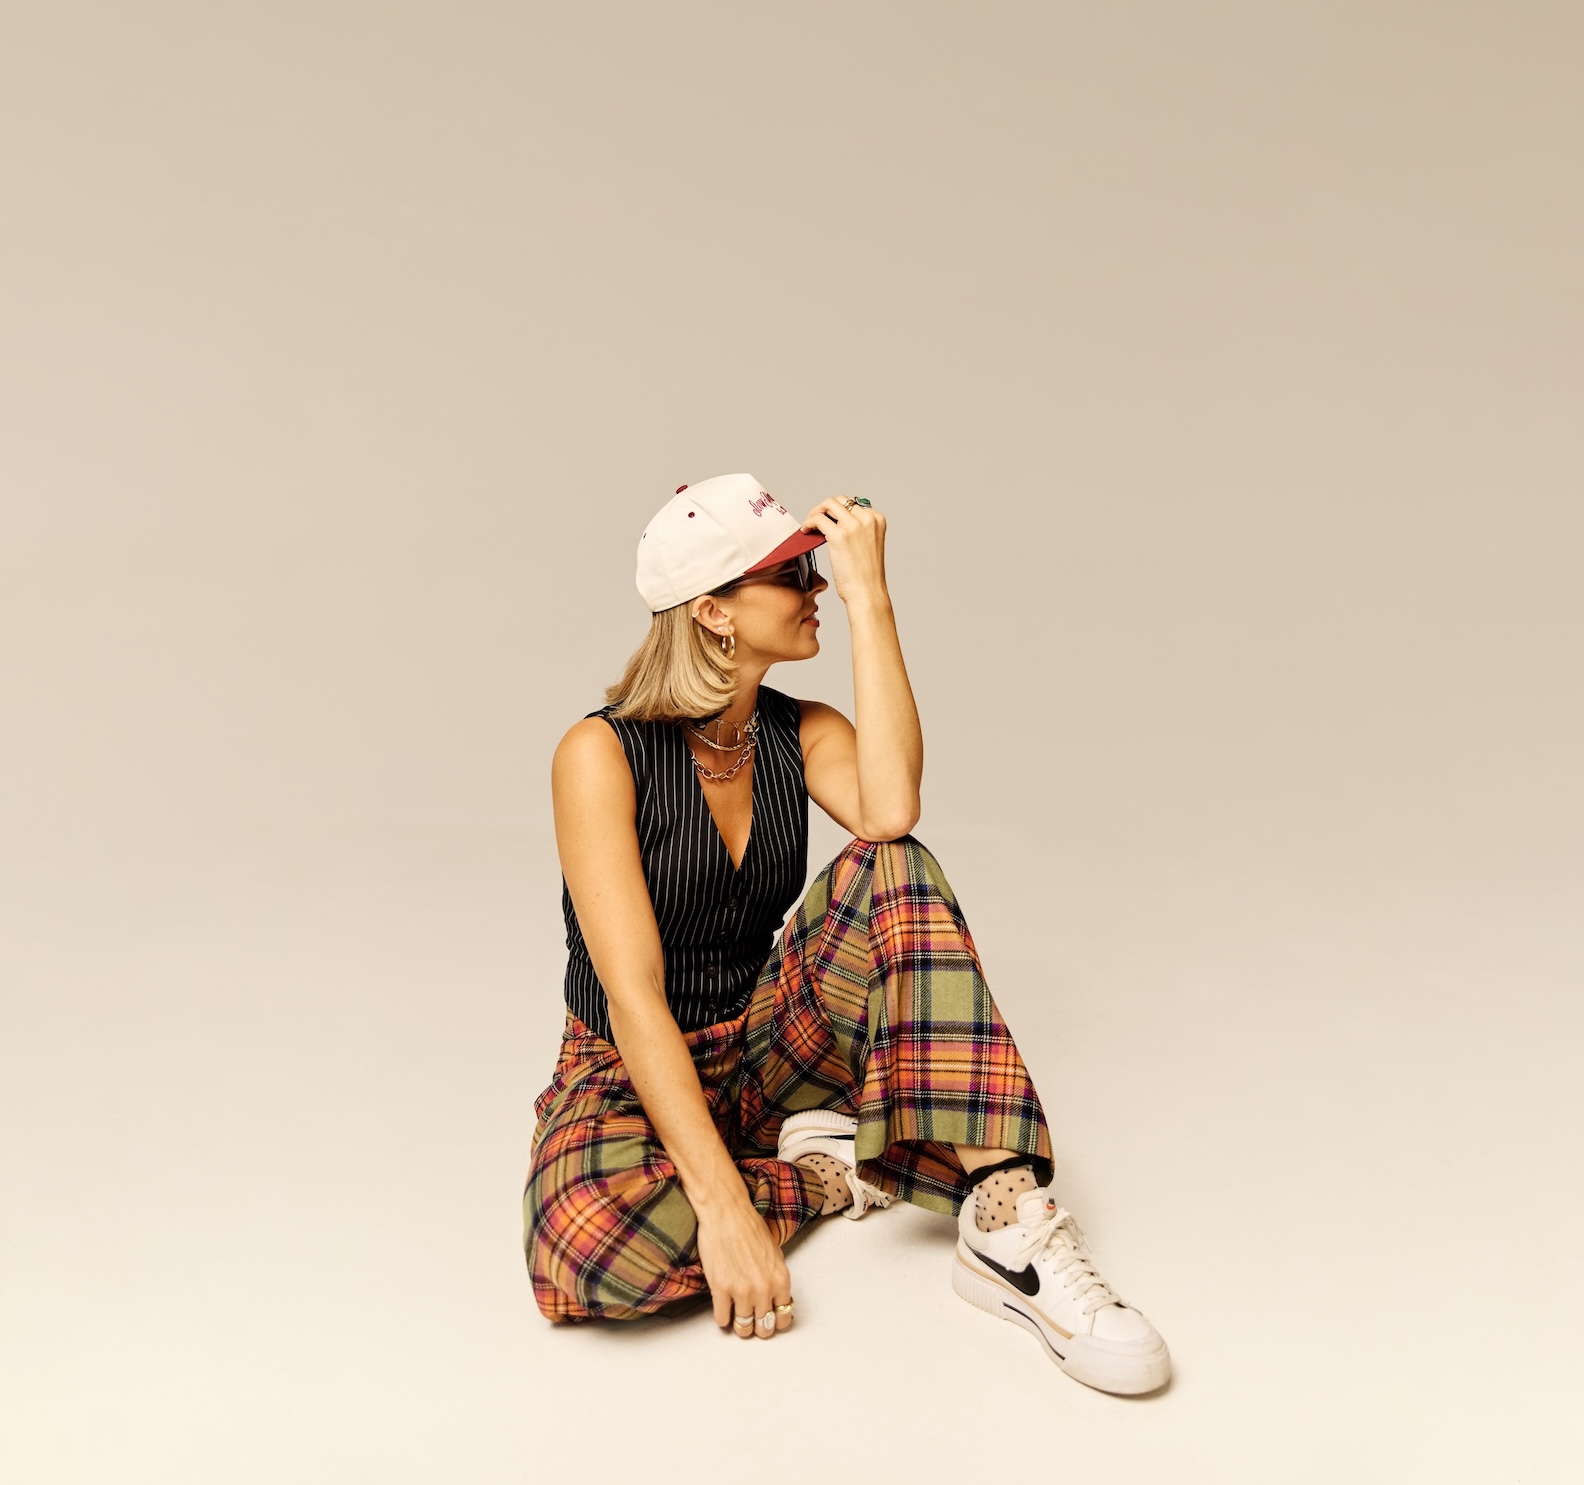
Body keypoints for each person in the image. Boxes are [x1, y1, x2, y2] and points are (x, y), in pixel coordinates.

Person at [523, 473, 1170, 1394]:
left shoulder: (800, 730)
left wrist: (874, 599)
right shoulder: (599, 754)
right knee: (589, 1249)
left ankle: (1005, 1220)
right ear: (713, 611)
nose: (817, 585)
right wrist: (724, 1207)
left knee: (892, 860)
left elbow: (890, 808)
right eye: (794, 574)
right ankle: (838, 1173)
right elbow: (633, 998)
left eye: (818, 570)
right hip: (630, 1067)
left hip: (767, 1050)